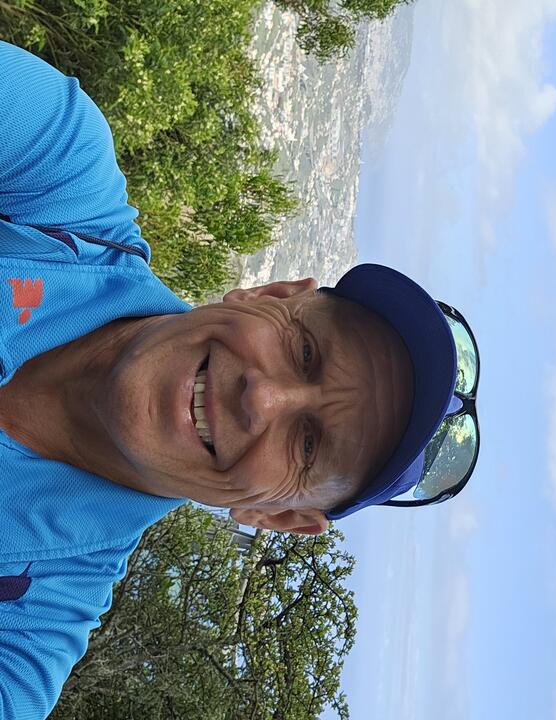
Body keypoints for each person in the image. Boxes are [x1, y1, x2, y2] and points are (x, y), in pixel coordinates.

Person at [0, 41, 480, 718]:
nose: (262, 396)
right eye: (306, 352)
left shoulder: (21, 630)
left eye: (309, 445)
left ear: (274, 516)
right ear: (269, 293)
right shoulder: (53, 166)